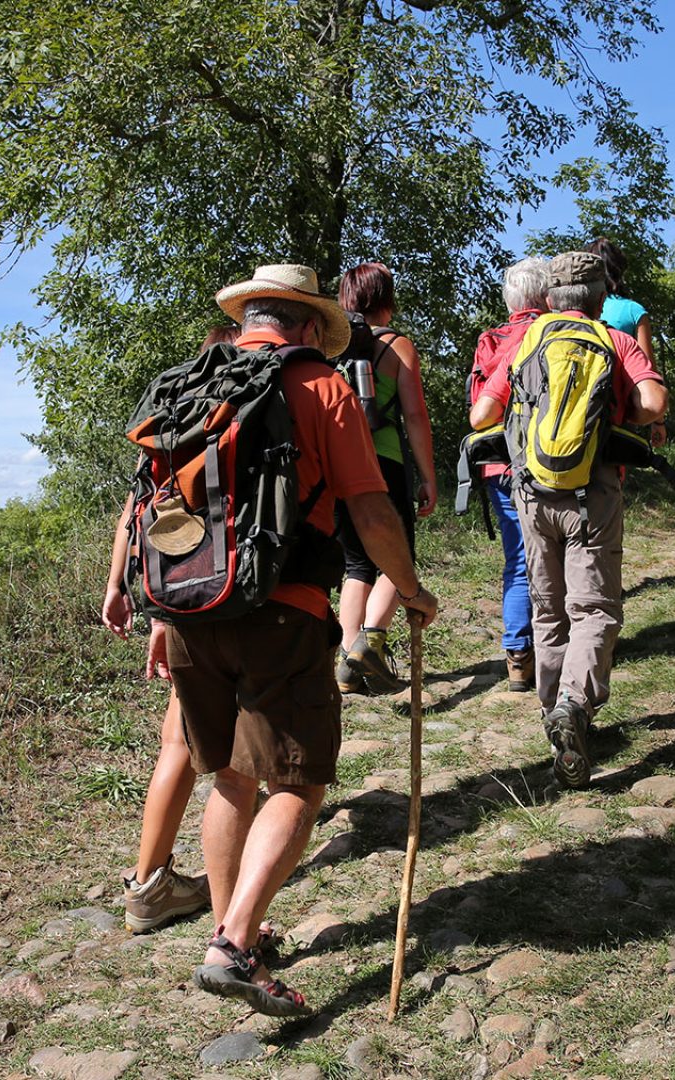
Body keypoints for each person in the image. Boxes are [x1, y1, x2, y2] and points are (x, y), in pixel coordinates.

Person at [149, 264, 438, 1017]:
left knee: (231, 779)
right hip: (282, 609)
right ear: (308, 326)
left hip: (186, 609)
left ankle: (233, 923)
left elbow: (148, 506)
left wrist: (155, 612)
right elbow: (371, 509)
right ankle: (234, 947)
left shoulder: (187, 384)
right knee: (299, 782)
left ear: (248, 319)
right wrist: (407, 590)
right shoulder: (319, 387)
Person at [468, 251, 666, 788]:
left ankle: (554, 712)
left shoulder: (525, 340)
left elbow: (481, 416)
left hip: (531, 491)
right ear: (602, 298)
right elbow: (653, 403)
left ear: (550, 299)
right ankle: (575, 705)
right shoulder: (614, 340)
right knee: (595, 606)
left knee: (548, 608)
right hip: (595, 490)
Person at [97, 326, 235, 935]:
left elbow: (139, 510)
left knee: (179, 741)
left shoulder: (170, 416)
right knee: (216, 754)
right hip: (231, 594)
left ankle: (150, 877)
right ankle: (180, 897)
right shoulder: (244, 413)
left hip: (176, 593)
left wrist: (122, 589)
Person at [331, 262, 438, 695]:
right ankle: (370, 642)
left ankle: (345, 663)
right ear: (386, 299)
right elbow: (414, 415)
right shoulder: (397, 346)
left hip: (338, 463)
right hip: (385, 461)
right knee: (398, 556)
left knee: (356, 564)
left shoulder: (329, 345)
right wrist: (428, 477)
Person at [468, 257, 549, 691]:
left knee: (519, 561)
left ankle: (518, 658)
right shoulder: (558, 334)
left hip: (499, 463)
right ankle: (560, 651)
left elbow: (480, 408)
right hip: (555, 465)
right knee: (559, 558)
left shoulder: (491, 339)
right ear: (547, 295)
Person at [587, 238, 665, 447]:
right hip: (617, 409)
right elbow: (648, 367)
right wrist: (658, 421)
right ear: (620, 270)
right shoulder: (633, 310)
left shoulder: (576, 309)